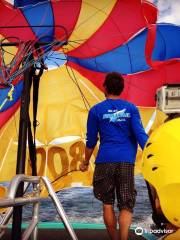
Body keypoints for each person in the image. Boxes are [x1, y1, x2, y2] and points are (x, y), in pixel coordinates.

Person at [80, 72, 148, 240]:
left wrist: (85, 162)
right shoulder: (131, 109)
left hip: (104, 162)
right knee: (126, 204)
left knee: (108, 203)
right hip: (126, 162)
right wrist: (153, 156)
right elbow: (141, 136)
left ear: (105, 88)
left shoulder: (96, 110)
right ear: (122, 88)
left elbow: (91, 141)